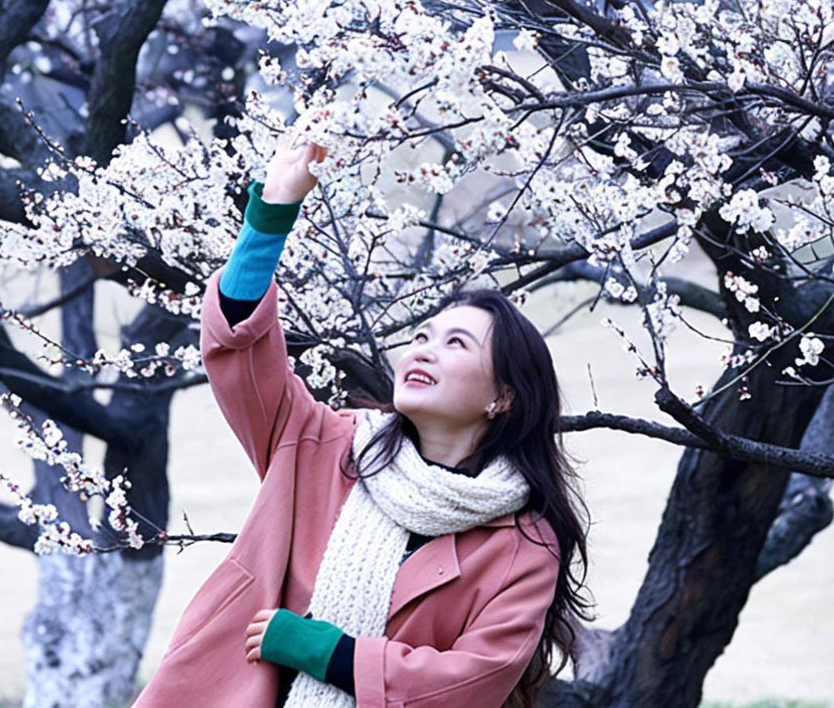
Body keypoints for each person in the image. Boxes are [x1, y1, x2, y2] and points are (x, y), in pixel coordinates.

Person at [136, 138, 591, 708]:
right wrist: (271, 215)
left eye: (455, 343)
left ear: (503, 397)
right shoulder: (326, 446)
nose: (422, 351)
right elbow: (239, 355)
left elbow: (473, 683)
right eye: (422, 336)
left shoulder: (522, 545)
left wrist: (331, 654)